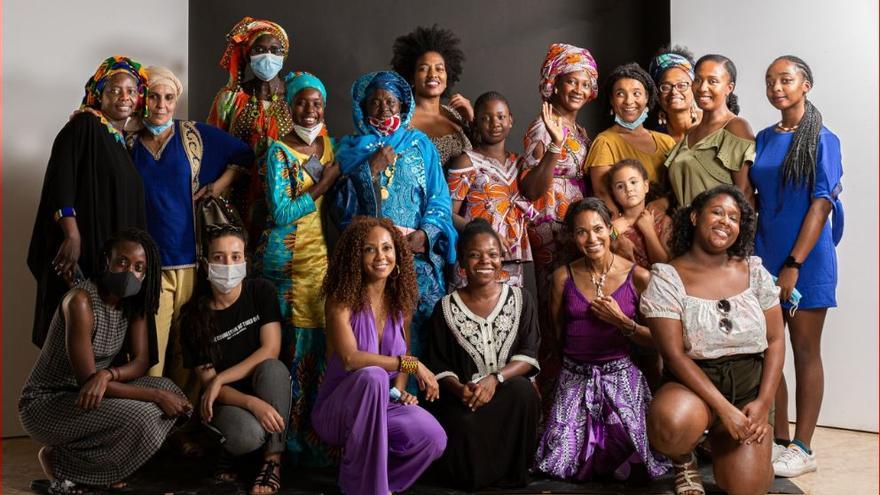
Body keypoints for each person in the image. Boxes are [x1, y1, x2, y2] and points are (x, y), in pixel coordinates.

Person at [20, 229, 191, 494]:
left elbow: (141, 361)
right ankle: (60, 462)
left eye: (138, 267)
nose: (129, 272)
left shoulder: (133, 302)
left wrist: (108, 374)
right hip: (49, 403)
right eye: (122, 262)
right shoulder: (81, 302)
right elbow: (87, 380)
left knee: (169, 388)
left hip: (96, 392)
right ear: (106, 262)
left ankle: (88, 467)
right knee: (144, 412)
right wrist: (154, 395)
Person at [641, 185, 785, 495]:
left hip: (749, 388)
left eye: (734, 217)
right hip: (695, 384)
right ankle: (684, 459)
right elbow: (675, 355)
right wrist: (723, 409)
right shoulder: (667, 278)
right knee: (671, 426)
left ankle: (722, 441)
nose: (725, 221)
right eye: (717, 212)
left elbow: (775, 339)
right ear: (694, 217)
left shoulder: (754, 271)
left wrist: (762, 404)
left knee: (747, 488)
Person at [130, 66, 253, 389]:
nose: (161, 105)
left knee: (188, 351)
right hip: (150, 265)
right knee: (151, 355)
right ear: (144, 99)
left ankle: (184, 425)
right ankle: (148, 426)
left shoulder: (192, 135)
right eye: (154, 96)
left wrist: (219, 185)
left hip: (190, 261)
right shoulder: (127, 143)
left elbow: (245, 153)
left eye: (169, 98)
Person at [752, 56, 844, 477]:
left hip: (805, 259)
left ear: (805, 84)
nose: (776, 87)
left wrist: (793, 263)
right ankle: (779, 439)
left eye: (785, 80)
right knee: (769, 350)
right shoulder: (766, 137)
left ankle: (804, 448)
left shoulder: (824, 139)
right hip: (765, 255)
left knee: (805, 351)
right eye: (770, 81)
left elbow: (822, 203)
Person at [534, 198, 668, 482]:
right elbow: (558, 333)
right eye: (582, 232)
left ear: (610, 229)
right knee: (560, 463)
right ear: (572, 236)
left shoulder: (639, 277)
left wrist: (622, 322)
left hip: (619, 376)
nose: (591, 238)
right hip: (575, 377)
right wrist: (572, 373)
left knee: (630, 460)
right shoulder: (562, 277)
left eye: (598, 229)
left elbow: (661, 341)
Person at [312, 216, 447, 495]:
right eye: (369, 249)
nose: (380, 256)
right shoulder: (341, 299)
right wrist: (410, 365)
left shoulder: (400, 301)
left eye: (387, 248)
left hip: (383, 403)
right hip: (338, 409)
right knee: (372, 376)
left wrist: (400, 391)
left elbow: (404, 351)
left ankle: (370, 484)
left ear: (397, 253)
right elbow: (350, 358)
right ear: (355, 256)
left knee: (433, 438)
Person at [28, 56, 149, 352]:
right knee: (77, 344)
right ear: (98, 94)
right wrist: (71, 233)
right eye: (115, 89)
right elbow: (61, 179)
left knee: (104, 348)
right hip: (87, 251)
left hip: (113, 261)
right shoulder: (85, 125)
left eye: (131, 91)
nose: (124, 97)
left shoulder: (122, 141)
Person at [335, 71, 457, 363]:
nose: (384, 109)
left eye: (391, 102)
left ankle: (421, 400)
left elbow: (440, 198)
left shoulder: (420, 145)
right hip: (371, 259)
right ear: (362, 108)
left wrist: (426, 233)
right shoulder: (350, 148)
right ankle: (384, 397)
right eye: (375, 103)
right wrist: (369, 170)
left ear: (403, 106)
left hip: (414, 254)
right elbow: (340, 208)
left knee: (422, 329)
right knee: (375, 330)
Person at [254, 70, 340, 466]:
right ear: (289, 107)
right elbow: (282, 211)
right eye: (302, 102)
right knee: (288, 350)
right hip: (285, 262)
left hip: (321, 261)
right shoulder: (277, 151)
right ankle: (280, 441)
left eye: (317, 103)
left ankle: (314, 438)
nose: (310, 110)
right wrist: (321, 186)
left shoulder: (332, 146)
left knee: (318, 348)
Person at [424, 219, 541, 490]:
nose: (484, 261)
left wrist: (496, 379)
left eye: (492, 254)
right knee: (461, 421)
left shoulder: (522, 299)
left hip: (508, 393)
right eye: (475, 255)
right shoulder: (445, 308)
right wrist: (461, 390)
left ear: (501, 259)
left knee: (523, 392)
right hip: (467, 398)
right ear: (462, 263)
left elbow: (529, 352)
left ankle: (512, 473)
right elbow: (439, 363)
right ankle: (477, 476)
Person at [179, 224, 290, 495]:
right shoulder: (193, 318)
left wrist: (221, 377)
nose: (228, 264)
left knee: (273, 369)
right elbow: (211, 389)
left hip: (266, 388)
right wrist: (251, 404)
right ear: (206, 265)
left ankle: (272, 462)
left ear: (245, 260)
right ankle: (231, 449)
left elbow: (270, 349)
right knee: (247, 435)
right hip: (229, 402)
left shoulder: (260, 292)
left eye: (236, 256)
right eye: (219, 258)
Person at [517, 42, 597, 406]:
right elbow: (530, 187)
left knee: (582, 310)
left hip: (578, 224)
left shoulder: (580, 131)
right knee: (558, 312)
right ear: (554, 83)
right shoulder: (542, 127)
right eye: (571, 82)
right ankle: (554, 408)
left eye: (585, 83)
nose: (578, 90)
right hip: (551, 226)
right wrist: (553, 145)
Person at [207, 16, 292, 244]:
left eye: (275, 50)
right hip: (237, 193)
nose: (268, 56)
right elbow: (212, 146)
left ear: (284, 55)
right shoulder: (230, 99)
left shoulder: (297, 97)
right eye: (260, 49)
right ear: (248, 54)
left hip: (285, 195)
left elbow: (316, 148)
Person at [447, 92, 537, 288]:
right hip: (476, 257)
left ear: (511, 120)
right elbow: (447, 213)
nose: (494, 123)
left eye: (500, 116)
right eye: (485, 118)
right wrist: (485, 232)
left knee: (508, 314)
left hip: (511, 256)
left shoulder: (519, 162)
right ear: (476, 123)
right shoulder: (467, 161)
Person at [663, 54, 755, 209]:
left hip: (719, 229)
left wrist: (745, 232)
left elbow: (745, 192)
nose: (702, 87)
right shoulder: (690, 132)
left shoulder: (736, 127)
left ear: (729, 88)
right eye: (698, 80)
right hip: (686, 229)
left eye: (712, 81)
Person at [585, 63, 676, 217]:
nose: (629, 101)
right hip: (627, 230)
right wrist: (620, 235)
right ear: (612, 101)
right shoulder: (605, 142)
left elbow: (677, 188)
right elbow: (603, 196)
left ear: (647, 97)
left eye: (636, 93)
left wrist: (665, 202)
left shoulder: (667, 142)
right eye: (620, 94)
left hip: (668, 223)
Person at [391, 24, 473, 169]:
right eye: (424, 69)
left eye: (439, 69)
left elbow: (482, 157)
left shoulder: (455, 115)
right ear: (411, 78)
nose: (433, 74)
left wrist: (472, 119)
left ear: (448, 77)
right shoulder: (400, 120)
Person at [608, 158, 672, 269]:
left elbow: (666, 266)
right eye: (620, 186)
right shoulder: (614, 226)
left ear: (646, 186)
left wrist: (649, 232)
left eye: (633, 182)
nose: (629, 189)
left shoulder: (662, 221)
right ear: (614, 195)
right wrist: (613, 233)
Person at [648, 46, 702, 143]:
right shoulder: (650, 134)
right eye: (666, 87)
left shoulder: (710, 124)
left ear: (693, 88)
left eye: (681, 85)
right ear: (658, 94)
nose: (674, 92)